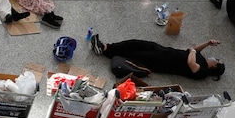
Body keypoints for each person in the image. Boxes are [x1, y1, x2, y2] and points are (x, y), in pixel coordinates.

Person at [90, 36, 224, 81]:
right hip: (164, 51)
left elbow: (191, 63)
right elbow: (196, 50)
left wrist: (192, 51)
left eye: (217, 60)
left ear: (215, 66)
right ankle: (106, 47)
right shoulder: (202, 59)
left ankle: (104, 51)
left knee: (135, 54)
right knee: (135, 43)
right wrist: (207, 43)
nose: (215, 58)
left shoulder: (204, 72)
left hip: (164, 62)